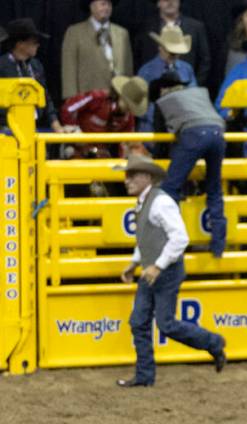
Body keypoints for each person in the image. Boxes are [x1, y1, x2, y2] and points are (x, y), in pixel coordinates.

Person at [115, 154, 226, 387]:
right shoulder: (147, 201)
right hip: (154, 270)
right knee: (140, 322)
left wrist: (157, 265)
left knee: (164, 323)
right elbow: (149, 238)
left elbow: (180, 238)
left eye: (132, 175)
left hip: (164, 271)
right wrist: (136, 263)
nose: (127, 180)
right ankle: (144, 376)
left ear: (146, 177)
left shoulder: (160, 202)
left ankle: (214, 343)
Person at [151, 74, 227, 257]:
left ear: (160, 91)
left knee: (170, 188)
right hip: (218, 133)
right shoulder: (198, 94)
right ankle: (218, 244)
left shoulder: (164, 101)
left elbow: (160, 141)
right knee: (214, 188)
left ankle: (172, 241)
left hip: (193, 134)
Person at [0, 19, 66, 132]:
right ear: (20, 44)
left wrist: (56, 126)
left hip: (33, 126)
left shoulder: (36, 65)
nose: (38, 45)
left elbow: (45, 97)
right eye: (34, 42)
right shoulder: (2, 66)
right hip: (6, 129)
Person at [60, 75, 148, 158]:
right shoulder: (96, 97)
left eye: (132, 106)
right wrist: (75, 130)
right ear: (120, 96)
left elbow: (126, 142)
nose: (129, 109)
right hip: (76, 149)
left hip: (101, 155)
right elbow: (68, 109)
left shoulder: (128, 118)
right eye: (128, 103)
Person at [62, 0, 133, 99]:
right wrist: (71, 101)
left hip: (117, 102)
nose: (106, 8)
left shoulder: (122, 33)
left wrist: (128, 98)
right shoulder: (75, 33)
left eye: (109, 4)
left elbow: (128, 70)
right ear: (91, 6)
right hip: (88, 101)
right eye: (103, 4)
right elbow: (69, 70)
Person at [137, 24, 197, 132]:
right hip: (152, 130)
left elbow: (193, 99)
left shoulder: (187, 69)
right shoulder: (146, 71)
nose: (174, 54)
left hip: (181, 130)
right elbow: (139, 105)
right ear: (160, 47)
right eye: (171, 51)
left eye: (177, 51)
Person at [135, 0, 210, 84]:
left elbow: (204, 60)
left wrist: (192, 87)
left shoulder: (196, 27)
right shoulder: (146, 27)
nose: (170, 2)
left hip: (186, 87)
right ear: (158, 3)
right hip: (153, 85)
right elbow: (138, 57)